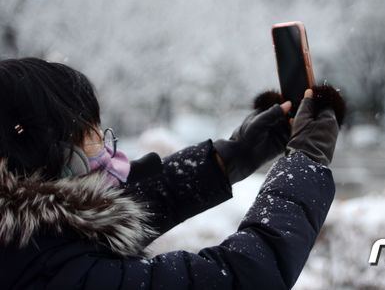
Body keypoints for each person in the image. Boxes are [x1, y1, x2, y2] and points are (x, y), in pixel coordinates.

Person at [0, 57, 345, 289]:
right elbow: (243, 276)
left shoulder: (24, 241)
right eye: (91, 138)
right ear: (53, 153)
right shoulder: (56, 273)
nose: (105, 148)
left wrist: (233, 156)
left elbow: (135, 203)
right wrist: (306, 162)